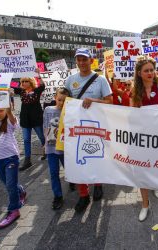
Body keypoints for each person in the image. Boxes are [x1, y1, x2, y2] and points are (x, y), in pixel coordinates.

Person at [65, 48, 112, 213]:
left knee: (96, 156)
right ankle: (83, 195)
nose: (82, 62)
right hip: (76, 129)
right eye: (79, 59)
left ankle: (98, 184)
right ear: (76, 61)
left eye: (85, 59)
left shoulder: (101, 80)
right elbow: (66, 103)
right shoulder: (70, 80)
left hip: (96, 127)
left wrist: (93, 100)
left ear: (91, 60)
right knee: (77, 159)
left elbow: (110, 102)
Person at [130, 55, 158, 222]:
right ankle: (145, 204)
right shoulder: (134, 91)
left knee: (156, 165)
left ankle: (156, 185)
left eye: (152, 70)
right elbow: (131, 114)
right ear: (139, 73)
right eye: (146, 70)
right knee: (141, 170)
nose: (150, 73)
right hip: (141, 138)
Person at [0, 107, 26, 229]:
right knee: (7, 182)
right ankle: (20, 191)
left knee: (10, 185)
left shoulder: (9, 122)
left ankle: (14, 210)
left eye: (1, 110)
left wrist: (9, 111)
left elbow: (15, 123)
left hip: (11, 158)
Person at [14, 70, 46, 171]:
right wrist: (0, 75)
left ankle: (46, 151)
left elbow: (43, 85)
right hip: (25, 119)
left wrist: (39, 74)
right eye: (22, 81)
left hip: (36, 118)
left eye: (25, 81)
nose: (23, 83)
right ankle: (27, 160)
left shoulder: (37, 90)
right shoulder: (21, 91)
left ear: (31, 82)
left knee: (41, 136)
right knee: (26, 140)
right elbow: (10, 85)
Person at [43, 88, 70, 210]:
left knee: (69, 170)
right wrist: (45, 142)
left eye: (64, 101)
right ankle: (57, 196)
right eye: (59, 100)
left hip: (65, 149)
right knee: (54, 173)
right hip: (51, 148)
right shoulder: (48, 110)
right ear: (55, 98)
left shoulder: (70, 112)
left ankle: (73, 181)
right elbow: (45, 126)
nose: (61, 103)